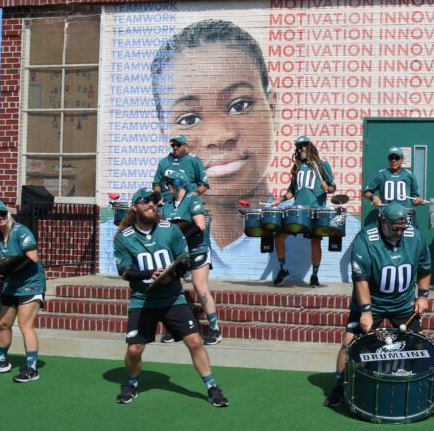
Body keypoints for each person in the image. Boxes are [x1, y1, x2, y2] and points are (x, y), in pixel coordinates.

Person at [148, 19, 358, 282]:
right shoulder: (125, 236)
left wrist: (313, 195)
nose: (220, 136)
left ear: (272, 108)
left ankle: (309, 272)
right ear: (163, 132)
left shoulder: (351, 233)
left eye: (240, 105)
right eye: (189, 119)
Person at [112, 188, 228, 407]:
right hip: (143, 300)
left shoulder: (170, 231)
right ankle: (132, 383)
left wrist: (172, 273)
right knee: (134, 349)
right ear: (135, 207)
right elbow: (125, 271)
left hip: (172, 297)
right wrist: (149, 274)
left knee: (194, 341)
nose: (151, 205)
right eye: (145, 201)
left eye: (155, 201)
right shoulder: (123, 238)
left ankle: (212, 387)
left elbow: (183, 260)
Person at [324, 203, 431, 407]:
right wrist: (366, 311)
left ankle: (417, 383)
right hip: (371, 301)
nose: (399, 233)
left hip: (403, 301)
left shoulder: (414, 236)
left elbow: (425, 267)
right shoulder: (366, 238)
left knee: (419, 342)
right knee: (349, 342)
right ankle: (339, 384)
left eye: (402, 228)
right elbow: (361, 278)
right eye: (395, 228)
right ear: (383, 221)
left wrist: (423, 296)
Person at [0, 199, 47, 383]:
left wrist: (7, 273)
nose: (0, 217)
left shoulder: (21, 231)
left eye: (2, 213)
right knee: (3, 323)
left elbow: (32, 258)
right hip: (11, 285)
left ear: (7, 214)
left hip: (31, 283)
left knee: (25, 325)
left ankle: (32, 368)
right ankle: (1, 361)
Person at [160, 176, 221, 345]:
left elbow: (200, 225)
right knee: (173, 289)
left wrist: (180, 237)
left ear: (181, 184)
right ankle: (175, 328)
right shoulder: (167, 203)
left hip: (197, 249)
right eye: (167, 183)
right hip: (178, 253)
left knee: (200, 288)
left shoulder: (192, 199)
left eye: (171, 182)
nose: (168, 186)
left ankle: (215, 329)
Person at [272, 135, 336, 288]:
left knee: (315, 242)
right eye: (298, 147)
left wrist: (328, 188)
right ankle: (283, 269)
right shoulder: (297, 168)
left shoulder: (322, 165)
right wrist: (280, 199)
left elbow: (333, 187)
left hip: (316, 210)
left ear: (310, 146)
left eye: (303, 146)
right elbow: (292, 191)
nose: (300, 149)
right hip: (298, 211)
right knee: (279, 237)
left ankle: (314, 275)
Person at [363, 146, 424, 216]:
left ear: (402, 159)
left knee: (413, 227)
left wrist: (417, 201)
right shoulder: (382, 174)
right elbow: (366, 192)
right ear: (388, 159)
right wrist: (373, 197)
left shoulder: (409, 175)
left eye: (396, 158)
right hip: (386, 214)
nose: (393, 160)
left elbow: (414, 198)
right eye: (391, 158)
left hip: (404, 215)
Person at [151, 135, 209, 201]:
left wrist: (195, 193)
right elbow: (156, 184)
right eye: (173, 145)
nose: (175, 147)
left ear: (186, 146)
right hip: (167, 200)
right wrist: (159, 197)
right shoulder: (164, 162)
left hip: (187, 200)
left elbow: (204, 184)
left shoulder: (194, 161)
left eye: (178, 145)